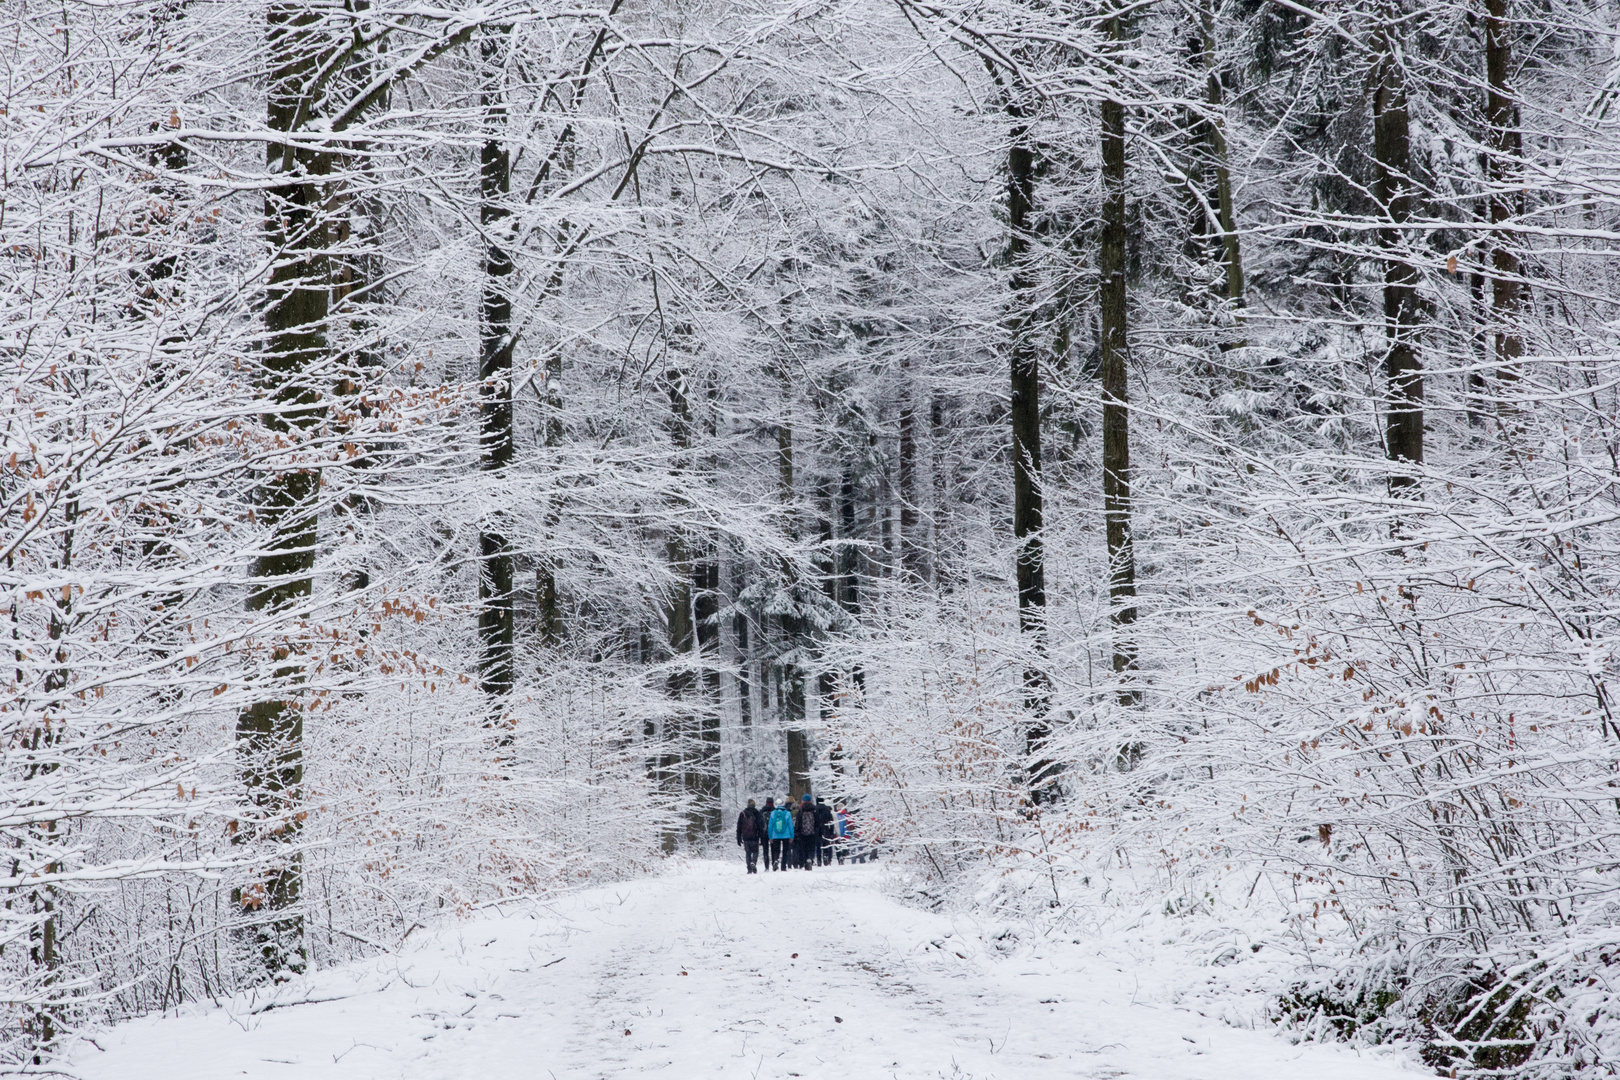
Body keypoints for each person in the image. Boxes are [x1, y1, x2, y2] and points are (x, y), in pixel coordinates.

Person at [736, 798, 765, 874]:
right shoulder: (757, 813)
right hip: (755, 836)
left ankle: (749, 868)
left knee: (748, 853)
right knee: (755, 851)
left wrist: (738, 837)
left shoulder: (743, 813)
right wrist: (761, 837)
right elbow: (761, 826)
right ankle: (754, 863)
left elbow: (739, 826)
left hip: (746, 837)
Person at [767, 798, 794, 871]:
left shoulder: (773, 813)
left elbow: (770, 825)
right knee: (785, 851)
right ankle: (783, 866)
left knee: (776, 850)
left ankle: (776, 860)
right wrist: (792, 836)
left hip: (775, 835)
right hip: (786, 835)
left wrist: (770, 836)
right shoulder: (787, 813)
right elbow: (790, 825)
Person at [794, 793, 820, 871]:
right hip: (813, 833)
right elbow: (818, 822)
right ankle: (810, 858)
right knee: (811, 847)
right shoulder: (814, 809)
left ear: (803, 801)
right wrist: (817, 831)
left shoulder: (801, 810)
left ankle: (805, 861)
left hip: (803, 833)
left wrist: (797, 831)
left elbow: (798, 822)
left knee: (804, 848)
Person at [814, 796, 836, 866]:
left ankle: (819, 860)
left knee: (818, 846)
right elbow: (831, 821)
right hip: (825, 829)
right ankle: (825, 858)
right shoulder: (827, 809)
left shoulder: (814, 809)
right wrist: (831, 832)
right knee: (825, 845)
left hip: (817, 830)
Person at [759, 798, 777, 870]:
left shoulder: (762, 811)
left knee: (765, 850)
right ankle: (774, 863)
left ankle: (766, 866)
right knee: (774, 849)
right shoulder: (775, 811)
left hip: (764, 833)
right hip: (773, 833)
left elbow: (759, 823)